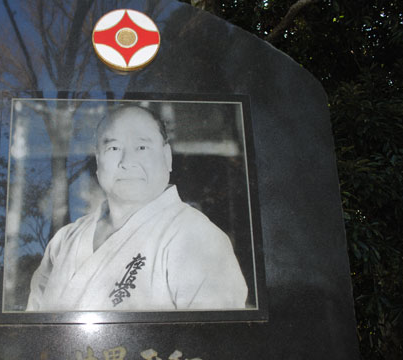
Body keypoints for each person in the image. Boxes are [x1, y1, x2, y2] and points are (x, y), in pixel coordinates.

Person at [26, 105, 247, 311]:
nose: (127, 161)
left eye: (142, 147)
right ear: (98, 161)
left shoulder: (197, 237)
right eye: (113, 147)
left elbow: (213, 336)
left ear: (167, 157)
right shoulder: (65, 240)